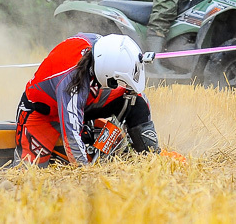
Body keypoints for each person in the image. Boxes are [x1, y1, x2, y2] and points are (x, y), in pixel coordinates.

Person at [14, 33, 160, 167]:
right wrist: (86, 172)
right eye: (114, 82)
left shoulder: (99, 46)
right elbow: (71, 136)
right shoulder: (72, 84)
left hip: (83, 98)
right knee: (29, 171)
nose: (115, 85)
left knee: (135, 99)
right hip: (43, 115)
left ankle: (150, 156)